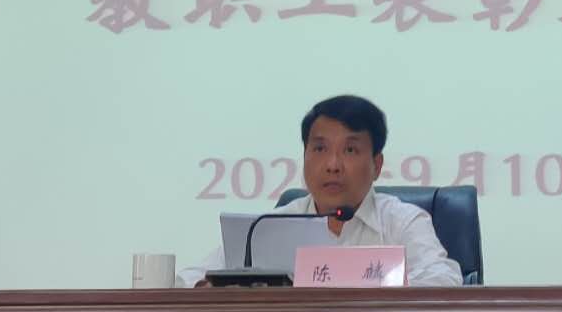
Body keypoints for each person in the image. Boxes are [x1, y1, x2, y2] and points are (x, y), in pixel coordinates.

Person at [182, 95, 463, 287]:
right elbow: (188, 279)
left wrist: (386, 287)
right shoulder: (269, 226)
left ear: (376, 165)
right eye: (319, 149)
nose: (332, 165)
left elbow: (445, 279)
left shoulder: (402, 222)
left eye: (350, 150)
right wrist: (210, 288)